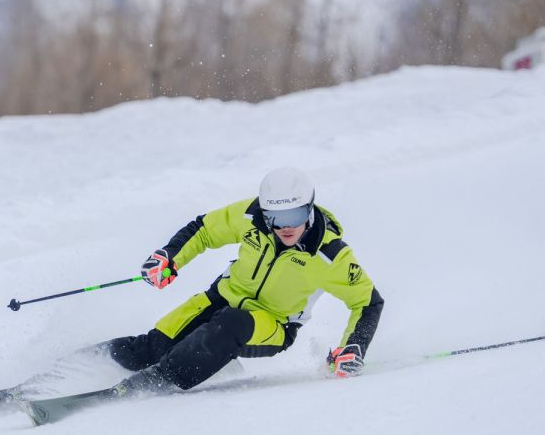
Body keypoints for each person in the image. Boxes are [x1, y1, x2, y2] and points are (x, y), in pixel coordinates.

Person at [105, 167, 384, 395]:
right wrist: (170, 256)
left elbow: (368, 302)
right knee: (150, 347)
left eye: (295, 216)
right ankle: (72, 363)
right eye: (276, 217)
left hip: (274, 324)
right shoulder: (251, 217)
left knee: (231, 324)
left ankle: (154, 382)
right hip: (221, 298)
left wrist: (353, 346)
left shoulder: (329, 255)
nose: (285, 227)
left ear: (309, 209)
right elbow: (204, 230)